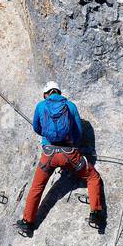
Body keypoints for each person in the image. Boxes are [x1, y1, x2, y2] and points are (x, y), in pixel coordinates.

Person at [16, 81, 105, 237]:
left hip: (48, 154)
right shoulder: (70, 106)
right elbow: (78, 131)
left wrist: (48, 136)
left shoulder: (41, 106)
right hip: (69, 154)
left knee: (37, 187)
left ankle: (27, 222)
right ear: (58, 92)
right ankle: (96, 213)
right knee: (93, 177)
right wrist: (73, 147)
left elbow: (37, 128)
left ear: (46, 94)